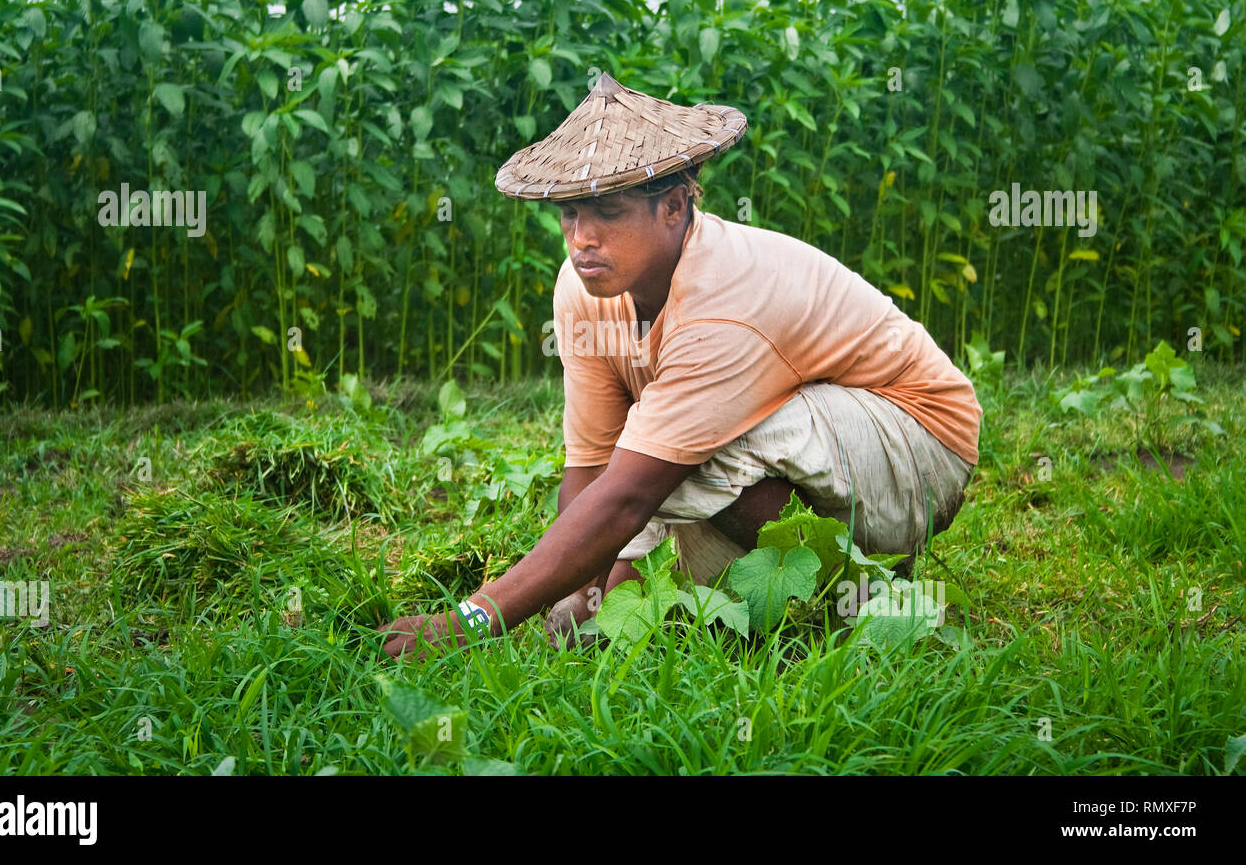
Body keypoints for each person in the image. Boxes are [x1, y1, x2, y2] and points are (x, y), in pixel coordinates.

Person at [379, 73, 982, 658]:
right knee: (632, 587)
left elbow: (628, 494)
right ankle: (820, 592)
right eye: (568, 214)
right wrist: (582, 599)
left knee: (691, 450)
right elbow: (592, 467)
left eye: (606, 212)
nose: (580, 238)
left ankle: (862, 584)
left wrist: (471, 619)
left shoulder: (722, 296)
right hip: (806, 448)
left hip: (916, 446)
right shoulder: (582, 286)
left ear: (673, 207)